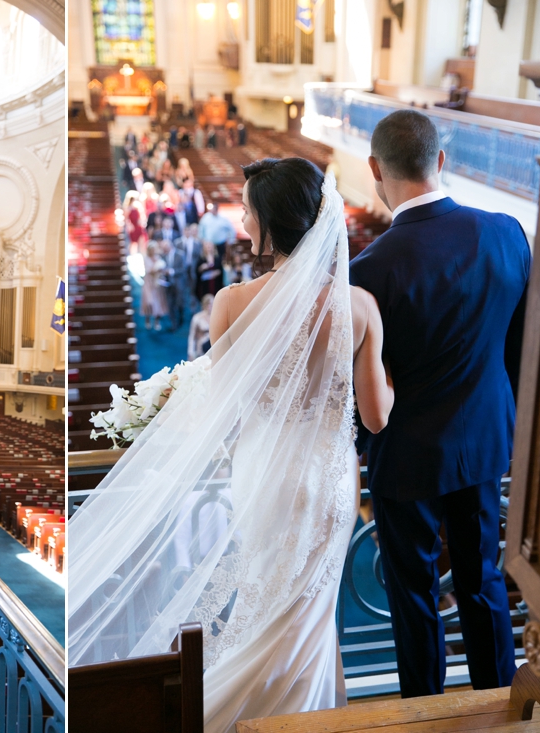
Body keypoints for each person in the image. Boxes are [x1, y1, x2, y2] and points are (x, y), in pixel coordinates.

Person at [68, 158, 394, 730]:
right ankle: (307, 715)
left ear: (271, 222)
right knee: (311, 615)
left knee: (268, 605)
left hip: (263, 474)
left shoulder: (232, 303)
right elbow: (375, 415)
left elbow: (228, 412)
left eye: (247, 212)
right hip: (330, 482)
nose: (242, 222)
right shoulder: (360, 307)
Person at [350, 109, 528, 698]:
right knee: (483, 585)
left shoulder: (368, 271)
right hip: (484, 444)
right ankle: (502, 702)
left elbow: (360, 386)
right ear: (442, 161)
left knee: (415, 596)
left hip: (406, 459)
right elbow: (517, 347)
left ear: (375, 169)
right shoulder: (507, 233)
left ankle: (422, 713)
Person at [141, 242, 169, 331]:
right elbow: (149, 270)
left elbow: (161, 270)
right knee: (149, 302)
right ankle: (147, 320)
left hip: (157, 283)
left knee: (158, 302)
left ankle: (157, 322)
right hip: (149, 283)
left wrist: (163, 271)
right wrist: (157, 268)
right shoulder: (146, 259)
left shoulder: (158, 258)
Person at [187, 293, 215, 359]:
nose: (210, 306)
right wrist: (190, 352)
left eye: (212, 304)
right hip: (201, 348)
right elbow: (192, 336)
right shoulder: (197, 318)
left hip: (214, 347)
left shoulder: (217, 317)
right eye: (208, 304)